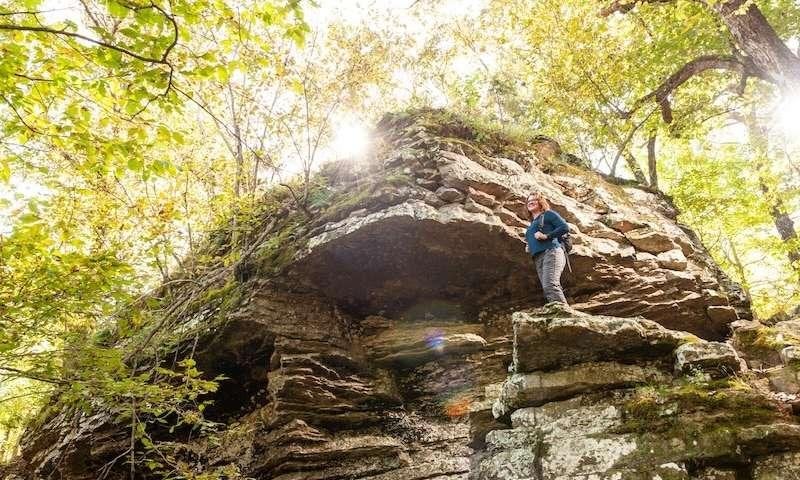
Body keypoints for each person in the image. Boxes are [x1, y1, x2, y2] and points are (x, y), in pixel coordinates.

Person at [525, 192, 569, 304]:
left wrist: (546, 236)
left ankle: (565, 314)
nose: (530, 202)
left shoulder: (548, 214)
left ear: (540, 202)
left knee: (550, 284)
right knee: (547, 287)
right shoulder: (532, 224)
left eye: (534, 200)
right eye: (528, 201)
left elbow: (564, 227)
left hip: (552, 252)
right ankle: (558, 312)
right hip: (538, 257)